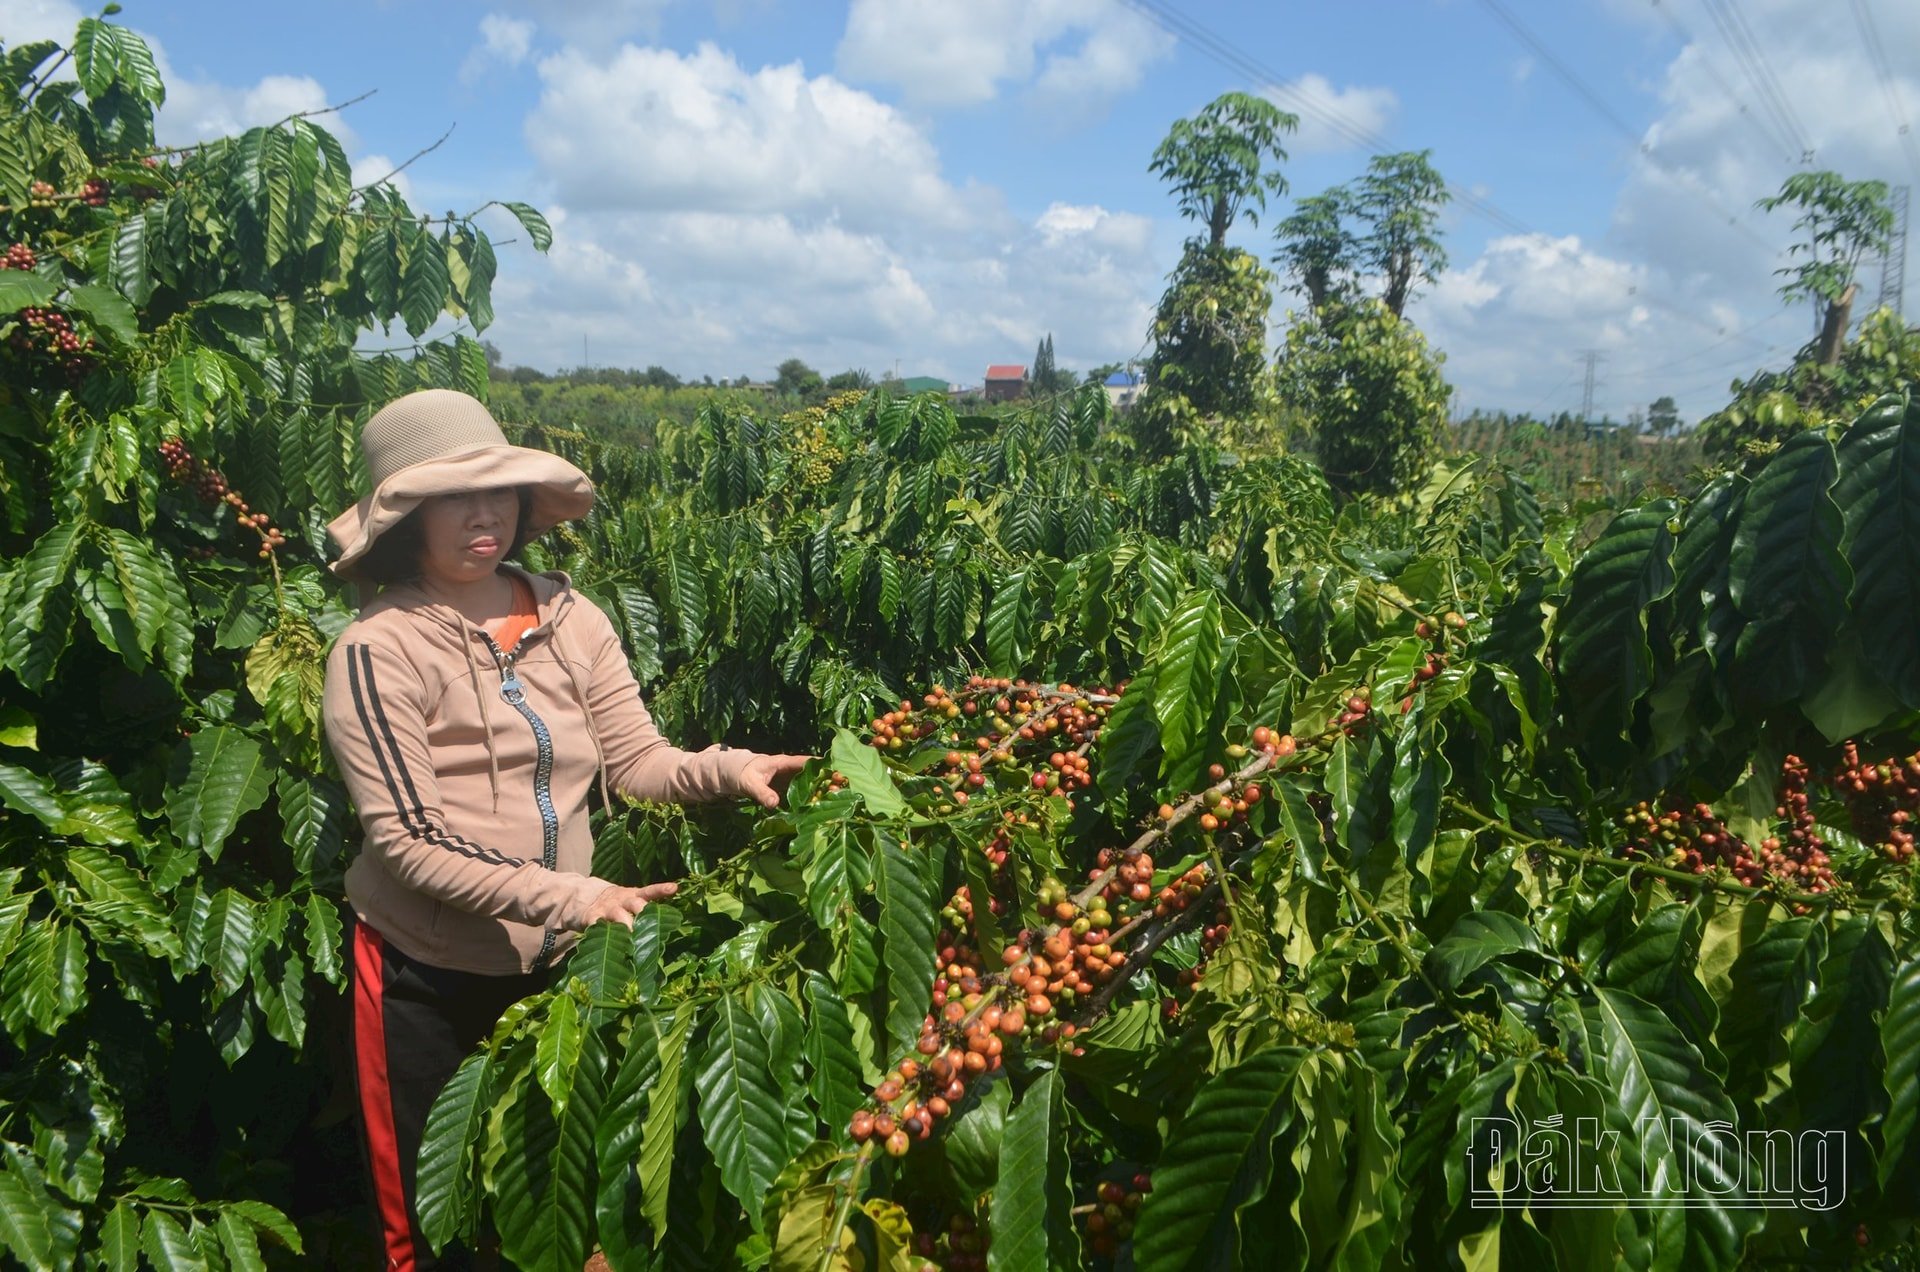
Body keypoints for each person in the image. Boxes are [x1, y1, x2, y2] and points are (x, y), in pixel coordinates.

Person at [319, 388, 808, 1270]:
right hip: (422, 978)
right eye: (453, 498)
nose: (484, 514)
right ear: (406, 521)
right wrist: (572, 895)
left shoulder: (572, 619)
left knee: (561, 1210)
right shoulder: (377, 648)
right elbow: (408, 840)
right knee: (435, 1231)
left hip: (558, 968)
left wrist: (729, 769)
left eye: (498, 491)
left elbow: (635, 761)